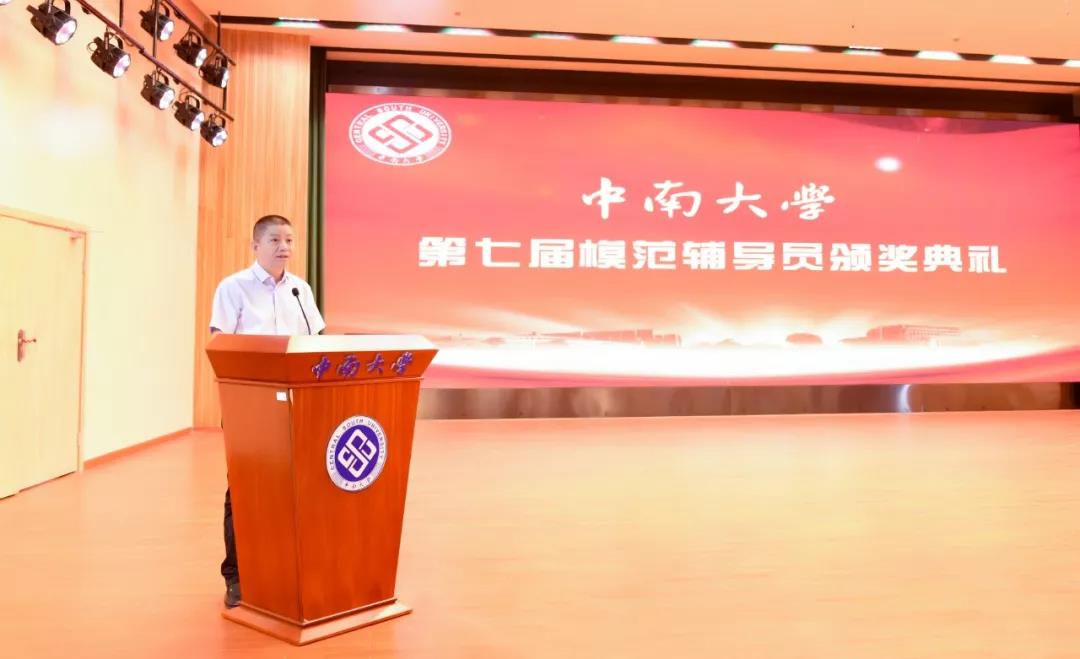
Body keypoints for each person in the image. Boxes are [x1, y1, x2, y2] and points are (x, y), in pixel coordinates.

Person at [209, 214, 325, 608]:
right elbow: (221, 346)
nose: (284, 247)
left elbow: (316, 342)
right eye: (275, 239)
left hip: (298, 403)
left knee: (297, 489)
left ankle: (288, 569)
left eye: (289, 239)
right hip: (249, 405)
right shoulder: (233, 288)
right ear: (255, 245)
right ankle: (237, 576)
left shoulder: (300, 290)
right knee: (245, 490)